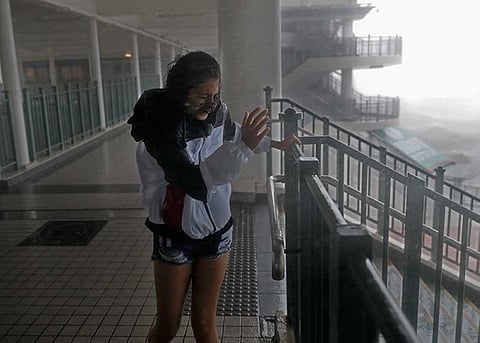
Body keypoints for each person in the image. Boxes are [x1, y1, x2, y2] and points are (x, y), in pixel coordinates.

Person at [127, 51, 299, 343]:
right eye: (202, 95)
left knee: (206, 323)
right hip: (174, 234)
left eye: (216, 94)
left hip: (219, 232)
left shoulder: (218, 113)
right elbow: (194, 182)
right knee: (168, 326)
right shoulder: (160, 129)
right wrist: (244, 146)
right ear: (180, 92)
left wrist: (276, 144)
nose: (212, 102)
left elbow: (233, 136)